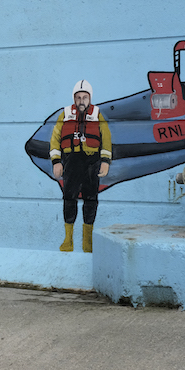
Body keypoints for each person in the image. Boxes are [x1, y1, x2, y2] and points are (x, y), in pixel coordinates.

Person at [50, 80, 112, 253]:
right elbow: (55, 139)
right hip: (71, 162)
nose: (81, 101)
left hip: (92, 163)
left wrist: (105, 162)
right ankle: (68, 240)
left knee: (91, 200)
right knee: (69, 199)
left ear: (90, 98)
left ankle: (88, 242)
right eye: (78, 97)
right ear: (74, 98)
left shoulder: (98, 115)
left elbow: (105, 139)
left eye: (85, 97)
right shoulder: (65, 115)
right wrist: (56, 162)